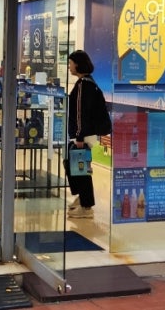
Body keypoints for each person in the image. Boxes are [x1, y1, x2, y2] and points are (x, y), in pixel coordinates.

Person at [66, 49, 109, 219]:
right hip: (87, 133)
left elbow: (80, 113)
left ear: (78, 64)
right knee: (72, 163)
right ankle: (83, 197)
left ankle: (86, 206)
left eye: (71, 63)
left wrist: (79, 136)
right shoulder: (89, 83)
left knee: (80, 168)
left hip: (84, 134)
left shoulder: (84, 85)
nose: (69, 67)